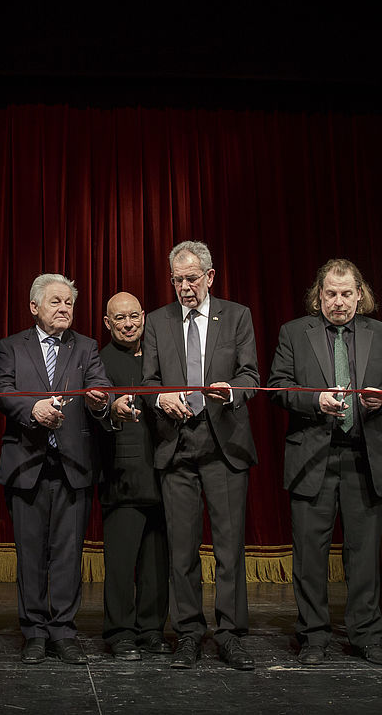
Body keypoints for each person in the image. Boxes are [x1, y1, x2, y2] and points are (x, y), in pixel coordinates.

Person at [267, 258, 382, 666]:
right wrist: (315, 400)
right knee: (310, 556)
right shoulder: (294, 332)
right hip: (313, 458)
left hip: (366, 457)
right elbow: (277, 387)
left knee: (363, 556)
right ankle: (313, 637)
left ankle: (366, 636)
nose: (339, 302)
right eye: (331, 294)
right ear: (319, 295)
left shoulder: (380, 333)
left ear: (360, 294)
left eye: (347, 294)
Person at [141, 240, 259, 670]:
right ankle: (189, 632)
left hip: (224, 447)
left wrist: (232, 391)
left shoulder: (237, 315)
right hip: (176, 447)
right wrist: (160, 399)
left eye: (192, 278)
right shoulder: (157, 320)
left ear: (210, 276)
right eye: (177, 279)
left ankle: (230, 634)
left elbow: (251, 375)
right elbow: (148, 382)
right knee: (182, 549)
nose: (184, 287)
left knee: (229, 549)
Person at [0, 273, 111, 665]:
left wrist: (99, 402)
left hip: (73, 465)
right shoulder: (11, 346)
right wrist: (32, 409)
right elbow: (3, 391)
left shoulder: (88, 347)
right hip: (26, 463)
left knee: (67, 553)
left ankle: (63, 631)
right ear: (34, 307)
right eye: (56, 302)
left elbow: (100, 389)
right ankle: (34, 632)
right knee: (30, 554)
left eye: (69, 303)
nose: (64, 309)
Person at [98, 292, 170, 660]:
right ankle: (120, 632)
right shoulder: (99, 360)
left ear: (144, 316)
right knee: (122, 564)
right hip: (121, 474)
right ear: (107, 323)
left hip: (164, 472)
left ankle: (152, 630)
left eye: (134, 317)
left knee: (157, 564)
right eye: (119, 319)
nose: (128, 324)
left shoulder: (160, 353)